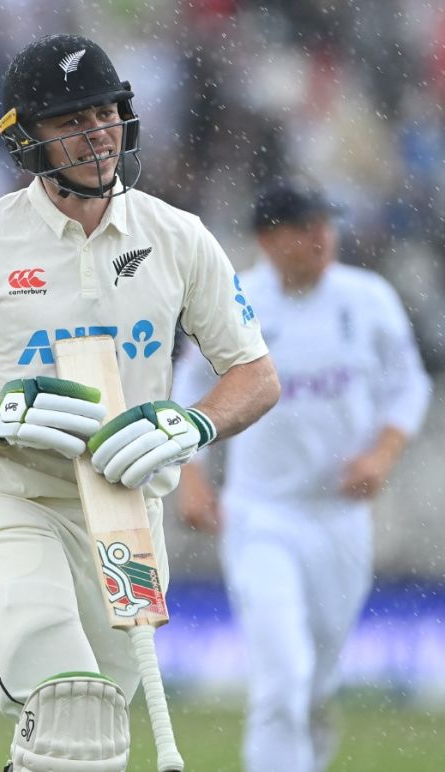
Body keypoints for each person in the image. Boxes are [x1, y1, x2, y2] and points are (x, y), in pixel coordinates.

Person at [0, 34, 280, 771]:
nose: (96, 134)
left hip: (127, 517)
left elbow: (254, 376)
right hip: (10, 503)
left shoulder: (179, 237)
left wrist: (193, 423)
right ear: (26, 139)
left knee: (87, 748)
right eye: (70, 120)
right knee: (70, 704)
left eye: (105, 113)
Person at [173, 177, 431, 772]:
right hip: (262, 515)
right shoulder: (238, 301)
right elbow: (188, 391)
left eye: (326, 224)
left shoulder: (367, 300)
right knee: (281, 679)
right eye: (305, 226)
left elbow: (408, 385)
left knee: (315, 681)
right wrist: (192, 479)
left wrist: (381, 457)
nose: (321, 238)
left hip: (340, 519)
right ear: (269, 238)